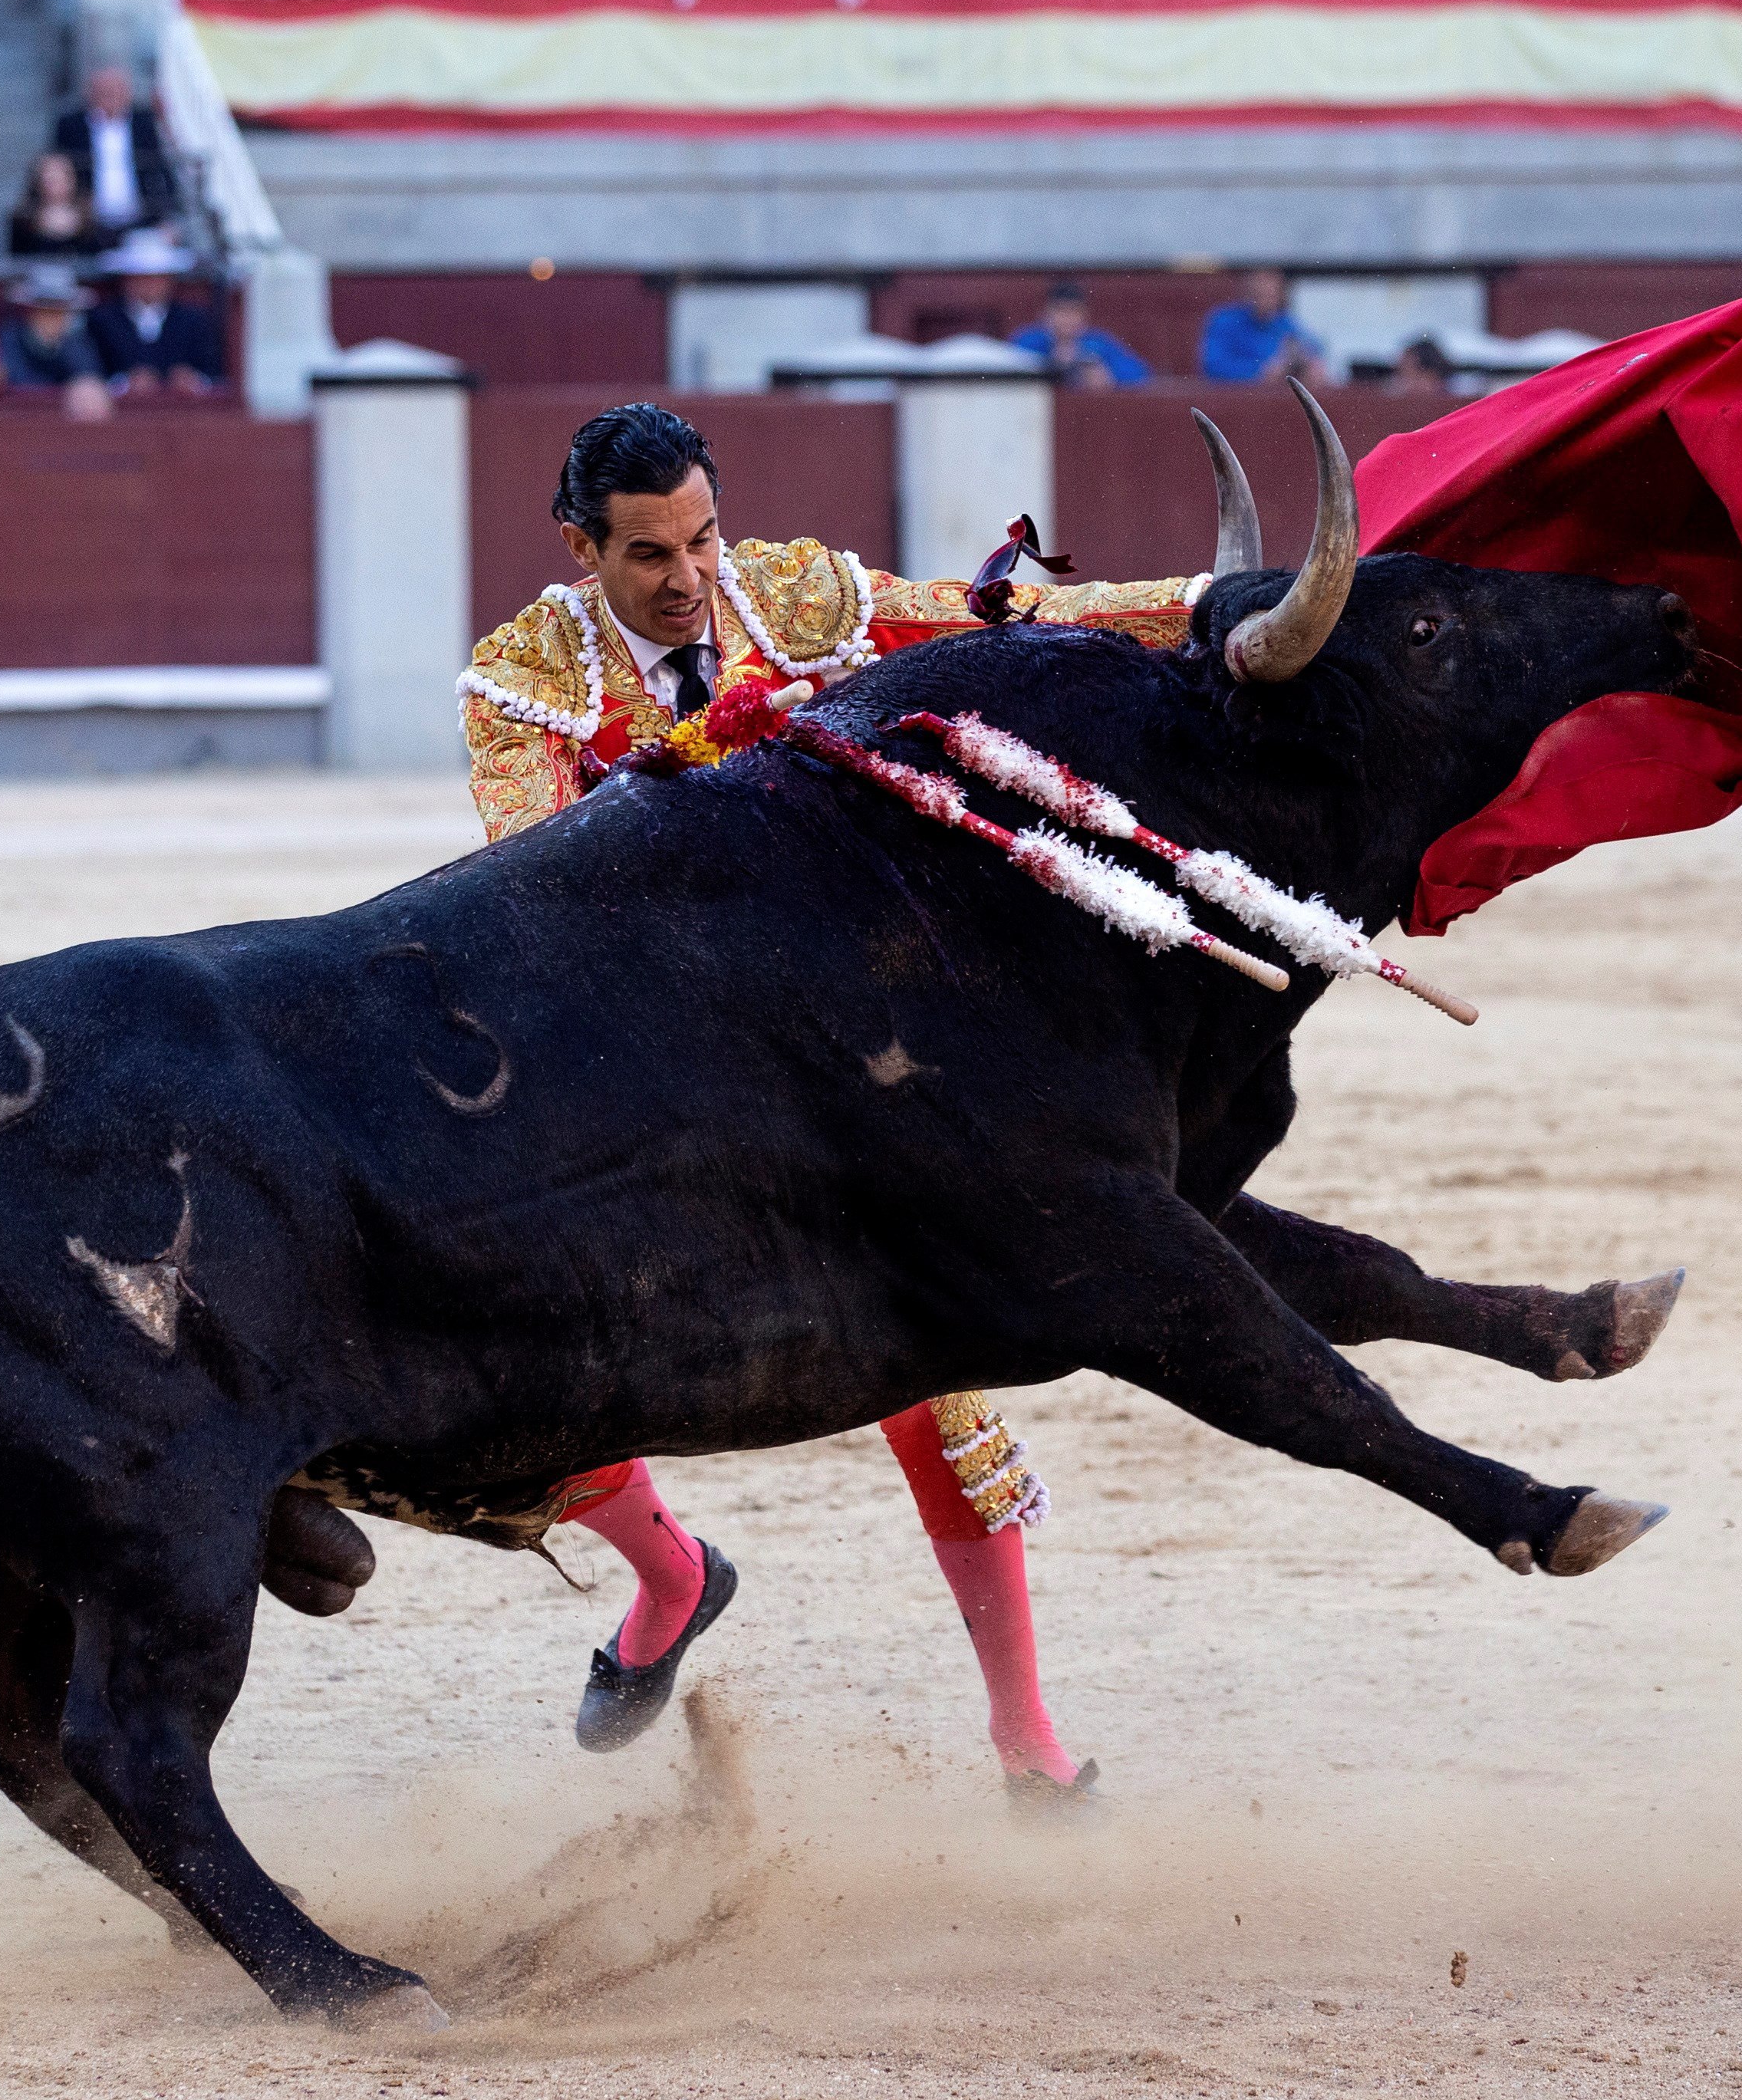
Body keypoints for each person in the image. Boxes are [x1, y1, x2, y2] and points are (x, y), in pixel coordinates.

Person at [460, 405, 1216, 1801]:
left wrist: (1204, 609)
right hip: (641, 1070)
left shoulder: (788, 594)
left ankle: (1024, 1744)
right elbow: (537, 878)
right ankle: (669, 1575)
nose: (686, 576)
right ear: (578, 548)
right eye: (645, 554)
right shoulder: (518, 680)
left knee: (936, 1366)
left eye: (698, 537)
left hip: (825, 1058)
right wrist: (697, 760)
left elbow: (985, 625)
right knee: (515, 1361)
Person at [89, 230, 219, 394]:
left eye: (158, 277)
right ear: (126, 279)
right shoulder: (103, 319)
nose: (150, 284)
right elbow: (91, 375)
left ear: (170, 280)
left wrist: (194, 381)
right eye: (141, 277)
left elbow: (215, 375)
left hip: (183, 413)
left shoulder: (193, 319)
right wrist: (125, 384)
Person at [51, 64, 173, 239]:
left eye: (116, 90)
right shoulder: (71, 125)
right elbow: (59, 168)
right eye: (103, 91)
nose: (110, 96)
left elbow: (161, 166)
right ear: (90, 93)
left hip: (141, 221)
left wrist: (166, 217)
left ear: (127, 92)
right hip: (86, 224)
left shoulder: (144, 123)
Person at [1197, 266, 1329, 386]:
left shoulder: (1285, 323)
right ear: (1248, 292)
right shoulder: (1225, 320)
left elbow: (1314, 348)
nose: (1265, 301)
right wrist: (1261, 371)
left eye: (1271, 296)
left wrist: (1309, 361)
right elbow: (1212, 366)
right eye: (1259, 295)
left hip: (1278, 396)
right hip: (1237, 398)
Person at [1010, 281, 1148, 388]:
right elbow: (1010, 373)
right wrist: (1051, 365)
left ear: (1084, 315)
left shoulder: (1099, 342)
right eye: (1060, 311)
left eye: (1074, 311)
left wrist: (1109, 376)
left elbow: (1141, 374)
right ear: (1046, 313)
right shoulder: (1028, 341)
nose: (1067, 318)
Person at [0, 262, 104, 387]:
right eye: (45, 311)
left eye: (59, 311)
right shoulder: (12, 337)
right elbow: (19, 381)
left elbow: (89, 380)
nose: (53, 318)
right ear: (30, 312)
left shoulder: (76, 341)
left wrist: (61, 346)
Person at [5, 147, 97, 258]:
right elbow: (17, 261)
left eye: (60, 175)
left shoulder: (90, 218)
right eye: (49, 175)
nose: (53, 181)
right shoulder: (22, 220)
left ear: (73, 178)